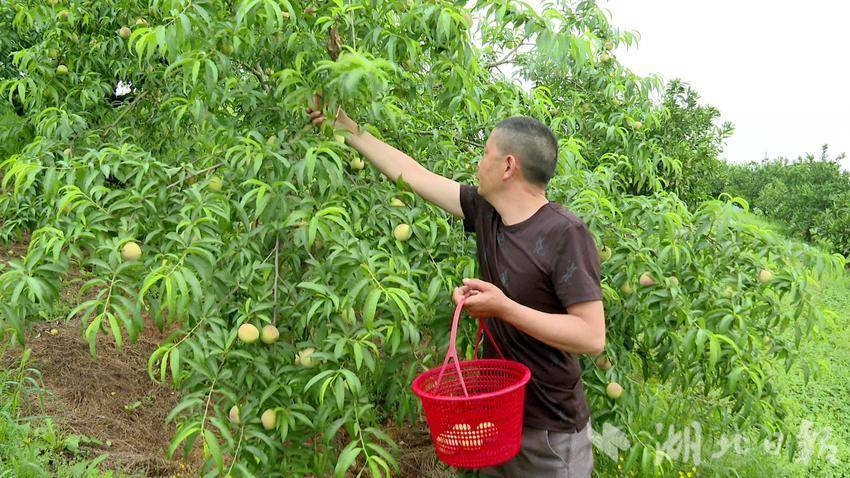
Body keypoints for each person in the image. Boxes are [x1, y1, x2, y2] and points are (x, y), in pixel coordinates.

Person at [306, 95, 606, 478]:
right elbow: (413, 175)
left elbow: (591, 336)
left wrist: (503, 308)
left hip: (548, 429)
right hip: (495, 412)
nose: (478, 164)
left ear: (508, 166)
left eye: (485, 154)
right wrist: (347, 128)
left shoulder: (565, 234)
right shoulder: (486, 212)